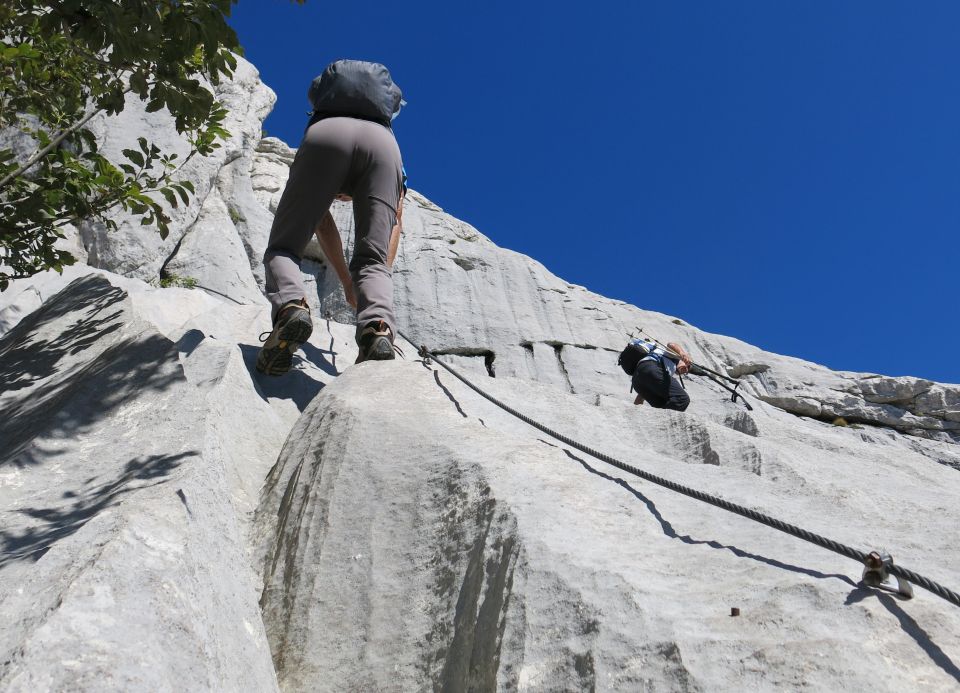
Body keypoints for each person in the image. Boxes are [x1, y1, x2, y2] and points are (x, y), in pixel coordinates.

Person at [257, 61, 405, 375]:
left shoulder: (325, 119)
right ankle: (376, 329)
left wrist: (345, 279)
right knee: (373, 261)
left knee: (284, 247)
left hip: (326, 135)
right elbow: (395, 226)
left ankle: (291, 307)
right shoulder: (386, 137)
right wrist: (365, 282)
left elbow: (319, 222)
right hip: (384, 148)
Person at [628, 338, 693, 412]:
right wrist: (682, 354)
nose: (686, 370)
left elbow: (641, 395)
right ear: (684, 360)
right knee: (682, 398)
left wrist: (634, 412)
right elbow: (671, 345)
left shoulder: (666, 370)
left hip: (637, 380)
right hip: (651, 367)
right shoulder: (674, 355)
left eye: (688, 370)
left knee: (662, 404)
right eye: (687, 366)